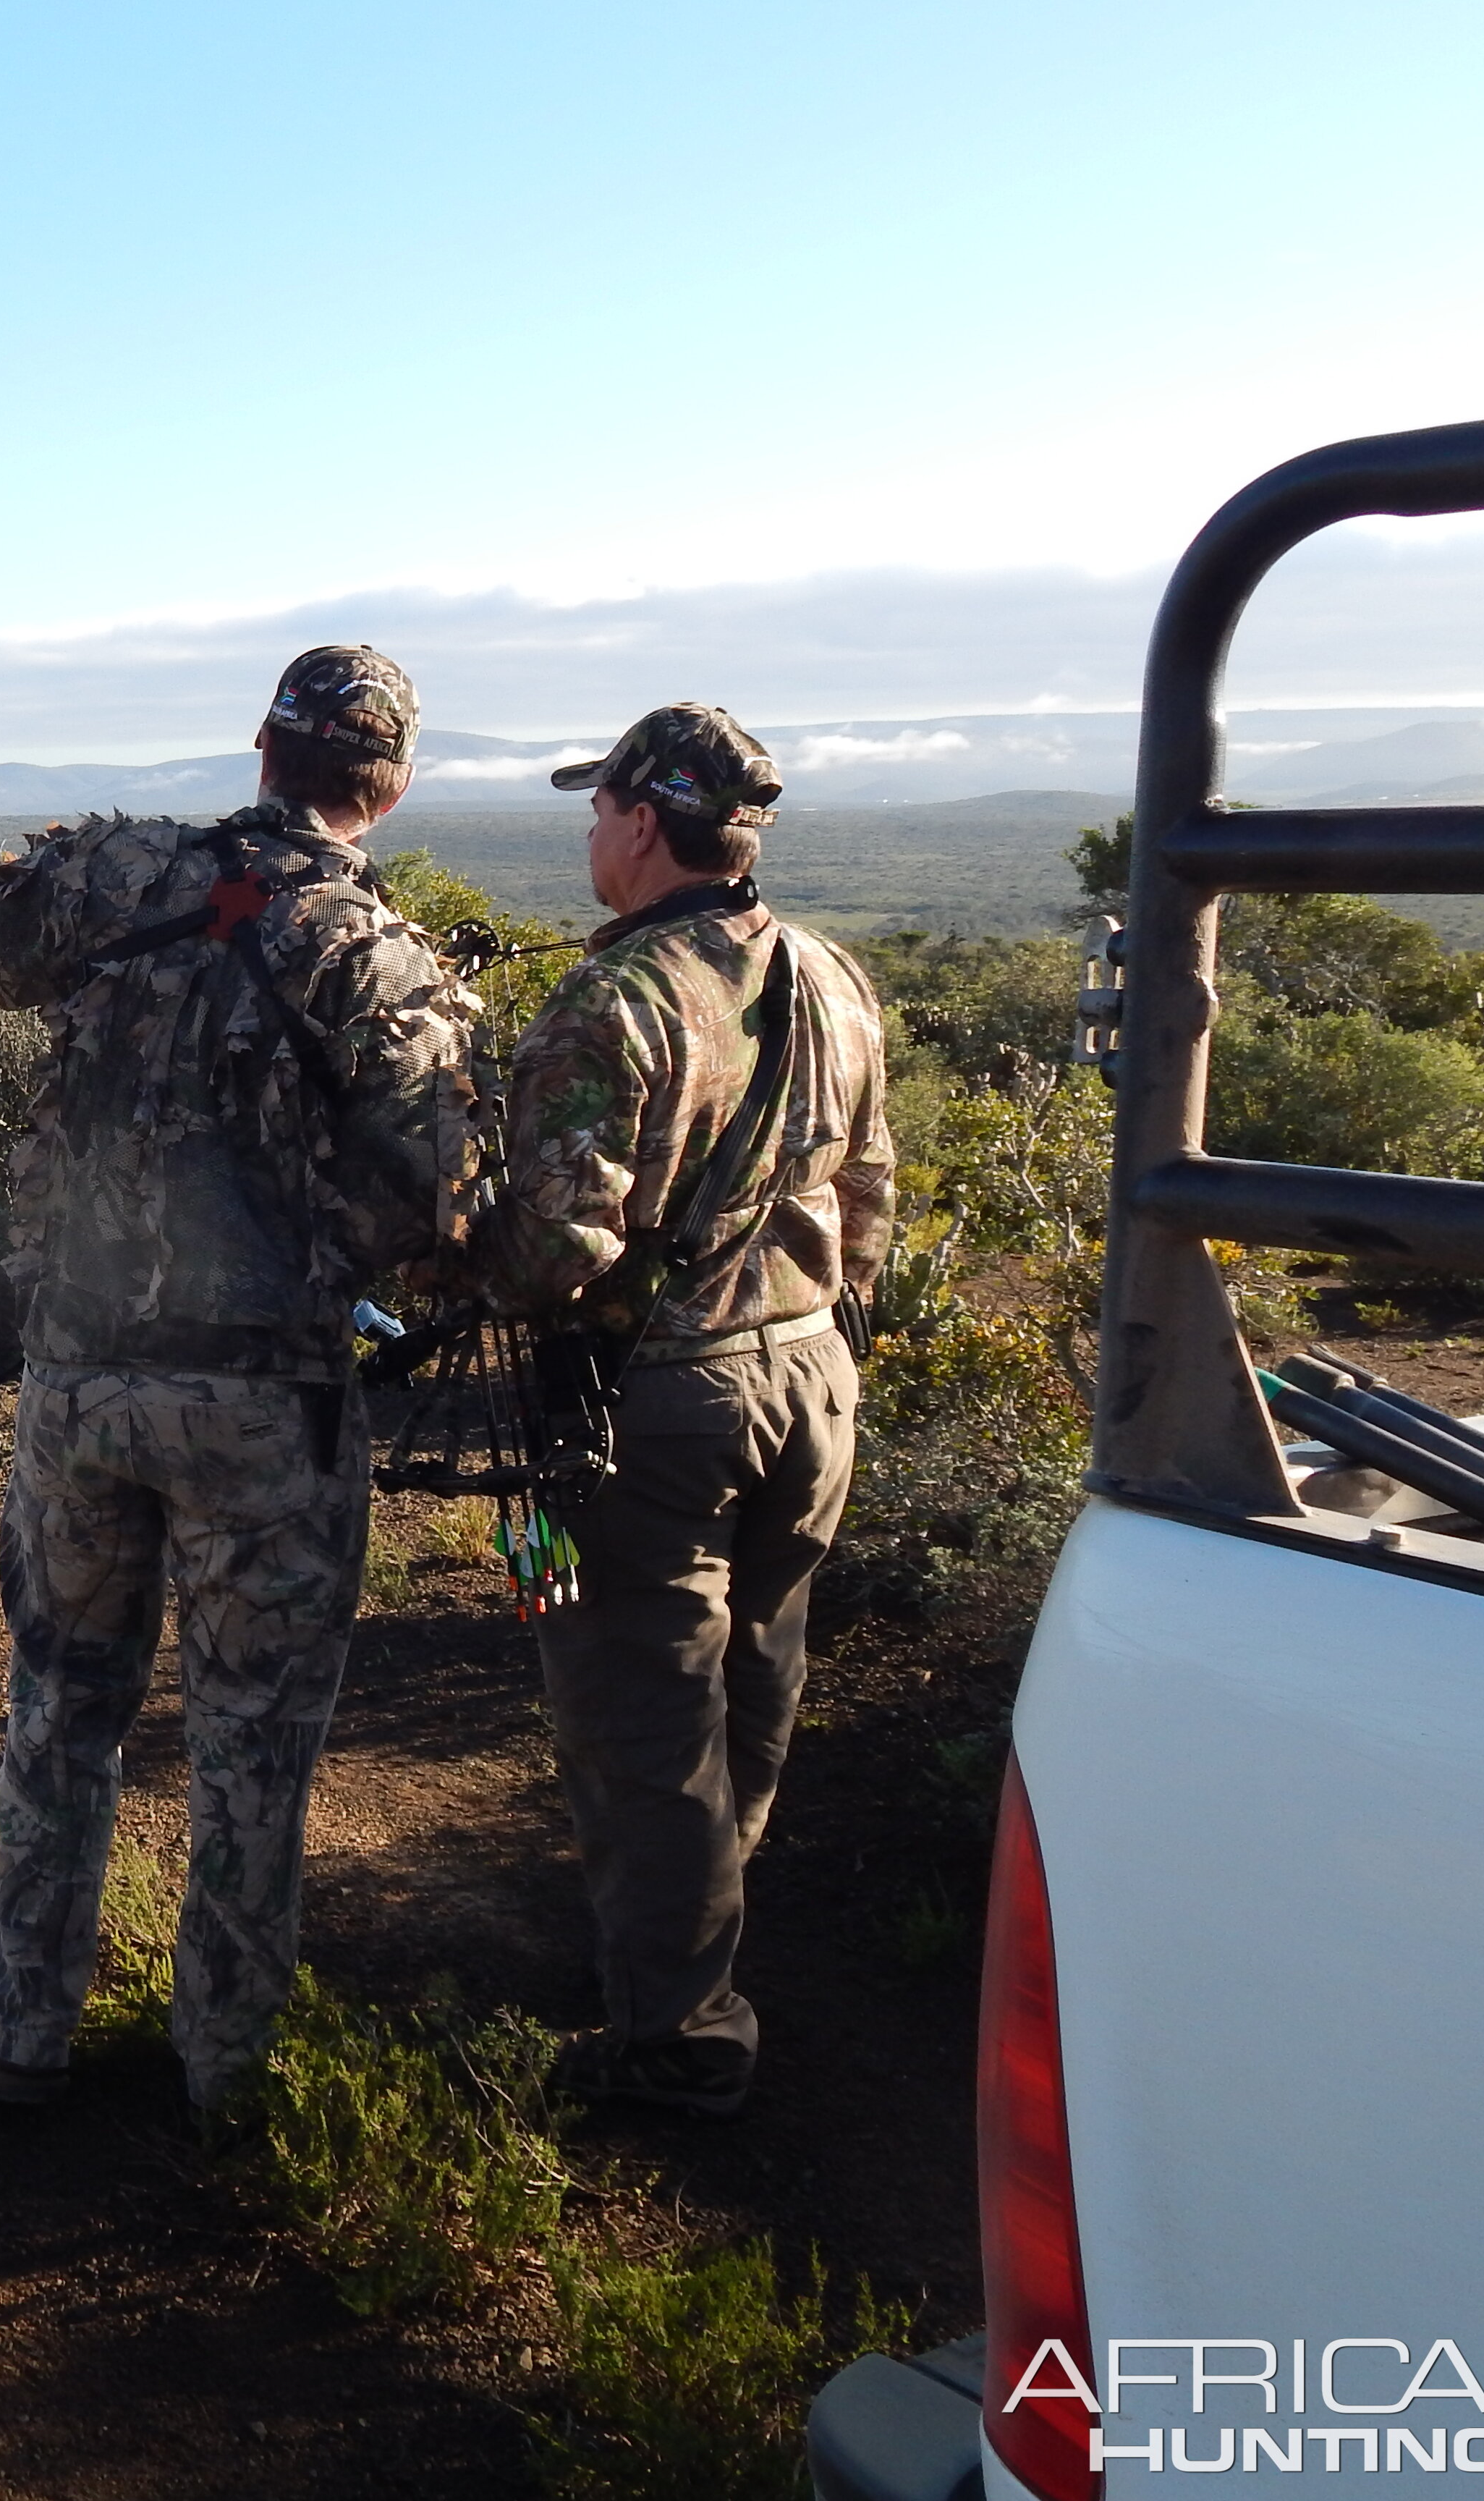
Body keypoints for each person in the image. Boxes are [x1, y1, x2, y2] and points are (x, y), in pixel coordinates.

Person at [0, 647, 477, 2114]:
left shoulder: (117, 876)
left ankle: (21, 2034)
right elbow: (443, 1191)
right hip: (268, 1409)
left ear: (260, 750)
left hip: (81, 1385)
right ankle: (224, 2074)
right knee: (252, 1751)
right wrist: (325, 1249)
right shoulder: (378, 956)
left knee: (62, 1708)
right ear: (393, 785)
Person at [472, 701, 892, 2119]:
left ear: (646, 826)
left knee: (640, 1718)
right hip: (811, 1376)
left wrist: (443, 1253)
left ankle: (679, 2040)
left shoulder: (614, 1005)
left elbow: (548, 1259)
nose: (591, 831)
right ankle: (688, 1937)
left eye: (600, 810)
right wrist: (837, 1344)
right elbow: (870, 1186)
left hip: (654, 1405)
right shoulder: (830, 976)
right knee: (754, 1684)